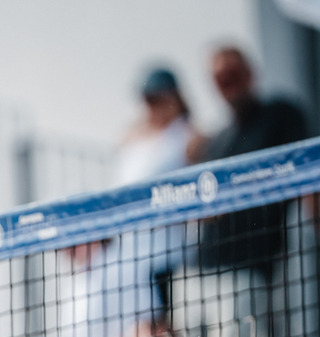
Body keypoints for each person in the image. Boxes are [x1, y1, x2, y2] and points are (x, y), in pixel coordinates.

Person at [191, 45, 309, 277]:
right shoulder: (217, 140)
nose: (227, 83)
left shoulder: (281, 114)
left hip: (253, 267)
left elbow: (306, 174)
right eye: (219, 78)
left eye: (232, 73)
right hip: (204, 269)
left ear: (249, 72)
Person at [116, 66, 203, 186]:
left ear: (175, 99)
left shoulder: (190, 137)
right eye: (148, 99)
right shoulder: (131, 136)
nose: (152, 106)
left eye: (158, 99)